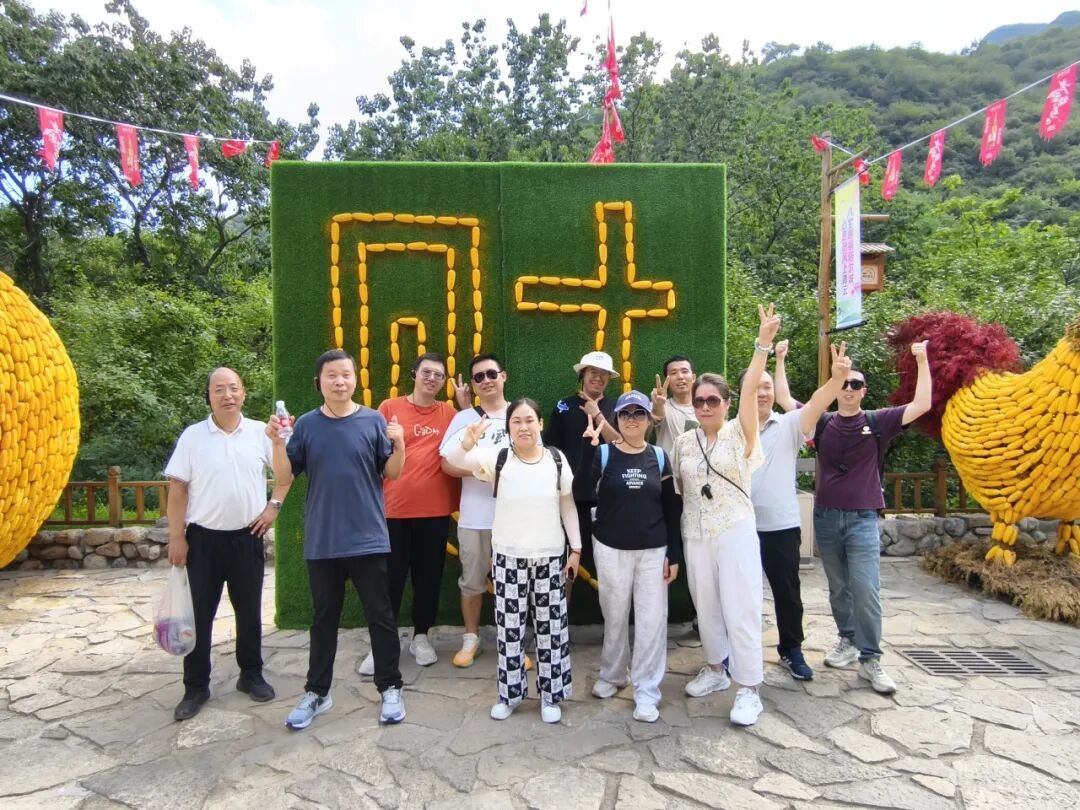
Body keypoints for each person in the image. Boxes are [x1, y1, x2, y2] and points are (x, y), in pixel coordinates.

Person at [268, 349, 407, 729]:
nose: (340, 381)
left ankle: (390, 687)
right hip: (324, 540)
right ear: (320, 382)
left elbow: (393, 472)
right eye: (332, 375)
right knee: (324, 619)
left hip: (368, 538)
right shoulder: (306, 426)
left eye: (346, 374)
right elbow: (285, 476)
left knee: (380, 616)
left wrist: (400, 444)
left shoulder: (373, 420)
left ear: (355, 379)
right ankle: (317, 692)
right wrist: (278, 443)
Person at [671, 303, 780, 727]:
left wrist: (762, 345)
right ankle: (716, 668)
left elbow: (752, 389)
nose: (704, 406)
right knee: (707, 605)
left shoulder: (739, 433)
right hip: (695, 531)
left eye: (713, 400)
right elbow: (679, 488)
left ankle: (749, 687)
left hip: (734, 530)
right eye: (699, 401)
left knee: (742, 606)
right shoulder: (684, 442)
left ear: (727, 403)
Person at [164, 367, 290, 721]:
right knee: (200, 616)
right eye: (219, 389)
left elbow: (285, 476)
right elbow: (178, 489)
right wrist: (177, 537)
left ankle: (251, 675)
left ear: (244, 392)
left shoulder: (260, 432)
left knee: (249, 612)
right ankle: (195, 686)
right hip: (202, 540)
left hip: (247, 538)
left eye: (233, 388)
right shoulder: (193, 437)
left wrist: (273, 507)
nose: (227, 395)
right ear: (209, 396)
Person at [446, 398, 581, 723]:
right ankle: (510, 694)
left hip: (549, 558)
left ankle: (550, 696)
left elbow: (567, 504)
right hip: (508, 559)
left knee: (551, 631)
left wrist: (575, 549)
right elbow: (454, 459)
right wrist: (467, 442)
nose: (524, 427)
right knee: (509, 631)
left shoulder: (556, 460)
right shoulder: (499, 457)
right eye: (516, 421)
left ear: (540, 424)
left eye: (529, 420)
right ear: (508, 428)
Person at [810, 341, 932, 694]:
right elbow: (786, 401)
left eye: (856, 384)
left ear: (864, 391)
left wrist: (922, 359)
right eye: (845, 383)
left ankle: (871, 658)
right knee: (839, 588)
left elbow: (922, 404)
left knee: (865, 588)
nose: (849, 389)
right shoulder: (822, 422)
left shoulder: (878, 420)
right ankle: (848, 640)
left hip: (863, 518)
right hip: (826, 517)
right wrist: (780, 359)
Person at [740, 339, 851, 682]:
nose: (762, 392)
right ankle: (735, 652)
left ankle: (791, 648)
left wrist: (836, 380)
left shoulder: (789, 424)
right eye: (756, 386)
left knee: (787, 593)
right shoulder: (732, 430)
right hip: (739, 527)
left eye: (767, 387)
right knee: (739, 594)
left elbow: (816, 403)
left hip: (781, 527)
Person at [580, 391, 682, 723]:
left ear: (650, 420)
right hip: (611, 548)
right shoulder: (604, 453)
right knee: (614, 615)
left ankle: (647, 690)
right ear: (617, 419)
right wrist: (588, 449)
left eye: (639, 413)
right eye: (626, 414)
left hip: (653, 551)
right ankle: (613, 675)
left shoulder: (660, 457)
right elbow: (583, 492)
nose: (632, 419)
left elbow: (671, 507)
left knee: (651, 621)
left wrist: (674, 553)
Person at [355, 352, 460, 675]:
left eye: (439, 375)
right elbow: (373, 453)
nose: (432, 379)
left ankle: (421, 637)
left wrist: (466, 405)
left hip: (435, 512)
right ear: (414, 374)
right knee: (390, 581)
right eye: (427, 372)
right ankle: (382, 645)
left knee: (428, 579)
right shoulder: (389, 408)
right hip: (393, 512)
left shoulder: (449, 414)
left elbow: (466, 443)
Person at [439, 354, 512, 667]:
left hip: (515, 517)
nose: (486, 381)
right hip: (474, 516)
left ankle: (512, 641)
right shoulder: (464, 418)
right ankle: (471, 639)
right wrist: (481, 471)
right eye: (479, 377)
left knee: (514, 581)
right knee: (471, 580)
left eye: (491, 374)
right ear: (473, 384)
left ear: (503, 376)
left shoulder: (520, 413)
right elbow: (446, 464)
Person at [542, 351, 619, 609]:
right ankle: (559, 622)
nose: (598, 377)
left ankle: (614, 626)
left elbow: (621, 444)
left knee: (610, 565)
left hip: (609, 498)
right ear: (582, 375)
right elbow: (550, 449)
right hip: (569, 498)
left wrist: (597, 415)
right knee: (566, 564)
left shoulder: (618, 408)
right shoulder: (563, 406)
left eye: (603, 373)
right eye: (592, 372)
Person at [651, 355, 699, 455]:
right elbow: (654, 417)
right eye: (673, 373)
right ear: (666, 381)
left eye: (684, 371)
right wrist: (658, 407)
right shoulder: (660, 405)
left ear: (693, 377)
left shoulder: (704, 408)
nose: (680, 377)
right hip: (668, 465)